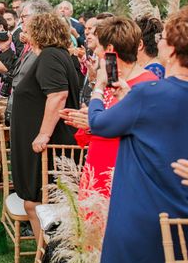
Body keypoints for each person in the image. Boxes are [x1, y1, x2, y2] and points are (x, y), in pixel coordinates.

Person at [89, 6, 188, 263]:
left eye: (164, 37)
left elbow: (100, 124)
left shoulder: (149, 94)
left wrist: (99, 90)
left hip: (141, 219)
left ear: (174, 49)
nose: (159, 43)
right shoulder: (148, 96)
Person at [60, 17, 157, 196]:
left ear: (110, 49)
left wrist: (96, 121)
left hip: (119, 165)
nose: (95, 52)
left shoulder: (147, 84)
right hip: (97, 160)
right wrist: (89, 119)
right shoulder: (110, 81)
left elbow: (144, 133)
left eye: (98, 47)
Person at [11, 12, 79, 240]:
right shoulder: (56, 55)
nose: (24, 32)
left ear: (39, 32)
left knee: (38, 204)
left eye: (28, 29)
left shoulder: (51, 56)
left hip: (49, 144)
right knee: (36, 204)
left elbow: (58, 95)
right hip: (44, 143)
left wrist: (43, 134)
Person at [4, 0, 52, 125]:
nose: (20, 21)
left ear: (38, 17)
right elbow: (15, 70)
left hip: (32, 114)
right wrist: (5, 49)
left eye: (24, 16)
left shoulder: (46, 48)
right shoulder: (28, 44)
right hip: (19, 109)